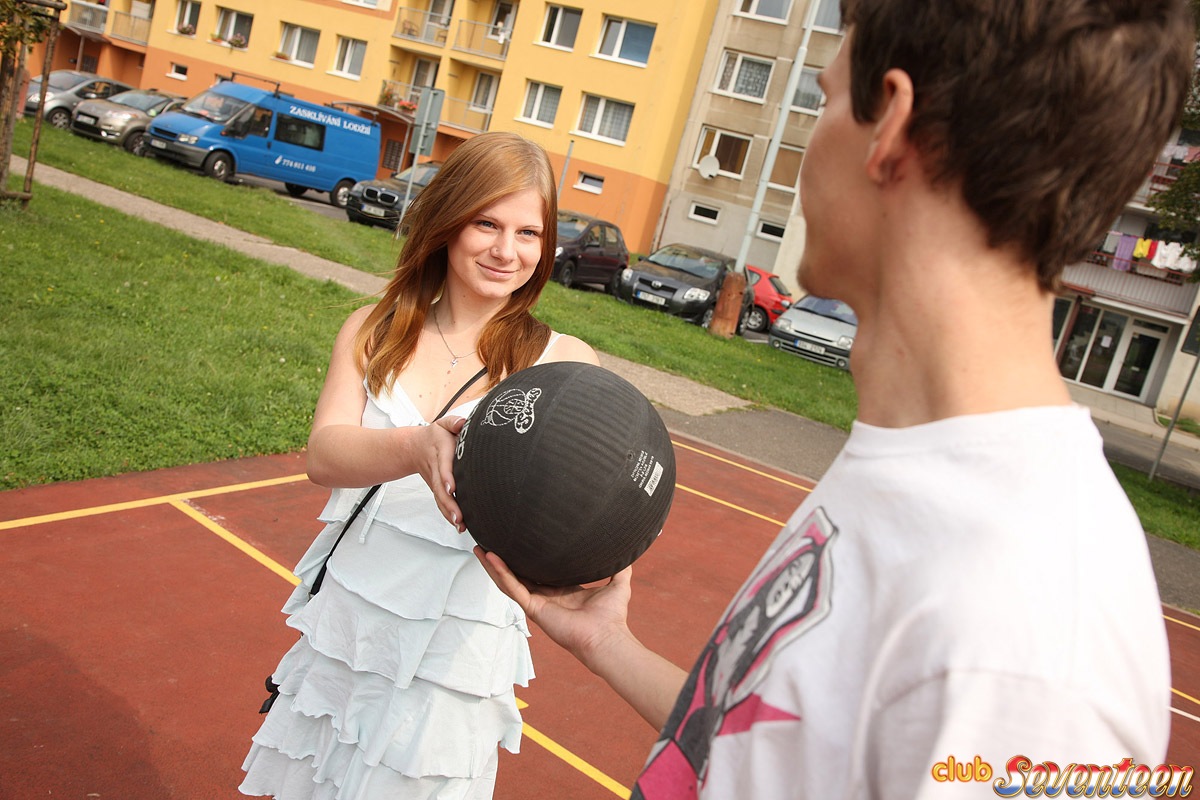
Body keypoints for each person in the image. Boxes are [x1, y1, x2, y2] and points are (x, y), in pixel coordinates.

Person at [477, 1, 1195, 797]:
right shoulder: (925, 468)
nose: (808, 147)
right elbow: (780, 753)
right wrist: (609, 645)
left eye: (822, 99)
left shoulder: (1027, 640)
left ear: (890, 124)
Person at [240, 131, 598, 799]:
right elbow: (324, 454)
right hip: (351, 621)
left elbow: (581, 499)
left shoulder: (565, 363)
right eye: (486, 223)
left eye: (528, 232)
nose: (507, 250)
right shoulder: (373, 328)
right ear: (447, 221)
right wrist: (413, 447)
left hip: (455, 647)